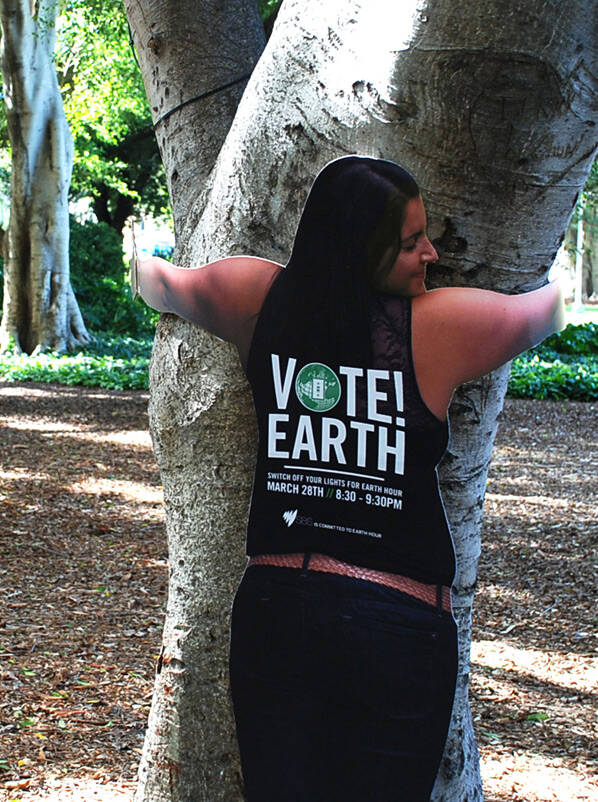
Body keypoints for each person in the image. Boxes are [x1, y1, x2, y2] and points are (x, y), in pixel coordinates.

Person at [133, 156, 564, 801]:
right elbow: (550, 310)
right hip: (396, 628)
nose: (431, 254)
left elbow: (156, 282)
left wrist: (141, 267)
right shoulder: (441, 325)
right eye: (411, 242)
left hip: (279, 613)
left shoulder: (255, 298)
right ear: (362, 246)